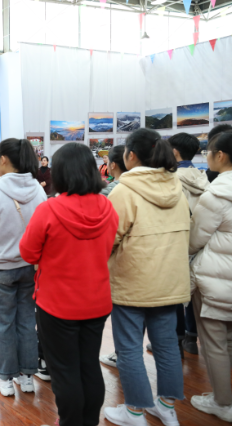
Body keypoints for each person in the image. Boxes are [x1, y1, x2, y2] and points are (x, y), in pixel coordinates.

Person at [20, 142, 118, 426]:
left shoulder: (49, 209)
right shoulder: (107, 206)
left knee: (64, 371)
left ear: (60, 173)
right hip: (97, 301)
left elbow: (28, 252)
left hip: (57, 304)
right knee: (89, 366)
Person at [104, 129, 190, 426]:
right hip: (170, 281)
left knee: (129, 348)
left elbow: (108, 239)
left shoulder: (124, 190)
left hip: (132, 282)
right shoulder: (177, 187)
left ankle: (134, 412)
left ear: (130, 155)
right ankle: (166, 407)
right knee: (167, 346)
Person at [188, 130, 232, 423]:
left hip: (214, 281)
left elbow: (194, 240)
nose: (207, 157)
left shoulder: (216, 195)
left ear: (220, 156)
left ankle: (222, 403)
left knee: (214, 343)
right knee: (231, 339)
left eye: (208, 152)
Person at [0, 138, 45, 397]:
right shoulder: (39, 192)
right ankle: (27, 377)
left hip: (0, 268)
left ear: (3, 159)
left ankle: (4, 378)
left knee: (2, 323)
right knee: (26, 321)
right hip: (30, 267)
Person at [167, 132, 210, 355]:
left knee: (175, 292)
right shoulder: (203, 177)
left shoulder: (171, 179)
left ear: (174, 152)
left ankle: (176, 340)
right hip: (202, 244)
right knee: (195, 291)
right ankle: (192, 338)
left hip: (178, 242)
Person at [99, 144, 129, 369]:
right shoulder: (171, 185)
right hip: (160, 268)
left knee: (125, 317)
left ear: (113, 165)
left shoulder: (112, 191)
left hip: (121, 262)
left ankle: (122, 354)